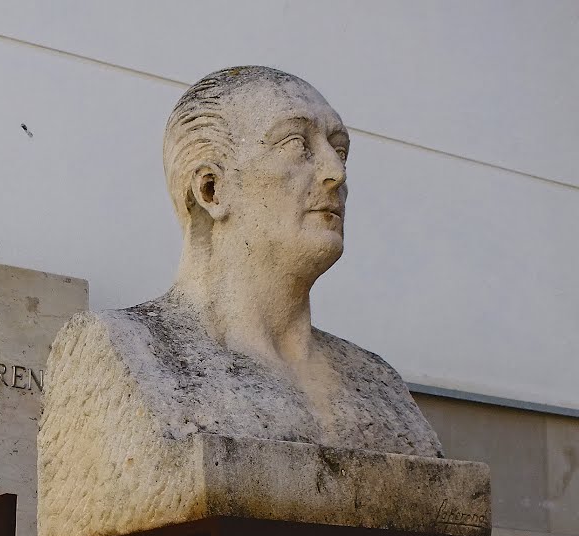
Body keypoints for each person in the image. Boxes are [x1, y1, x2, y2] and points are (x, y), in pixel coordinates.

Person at [42, 66, 442, 457]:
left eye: (339, 151)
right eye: (297, 144)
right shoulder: (126, 353)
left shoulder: (377, 384)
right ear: (211, 189)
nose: (335, 173)